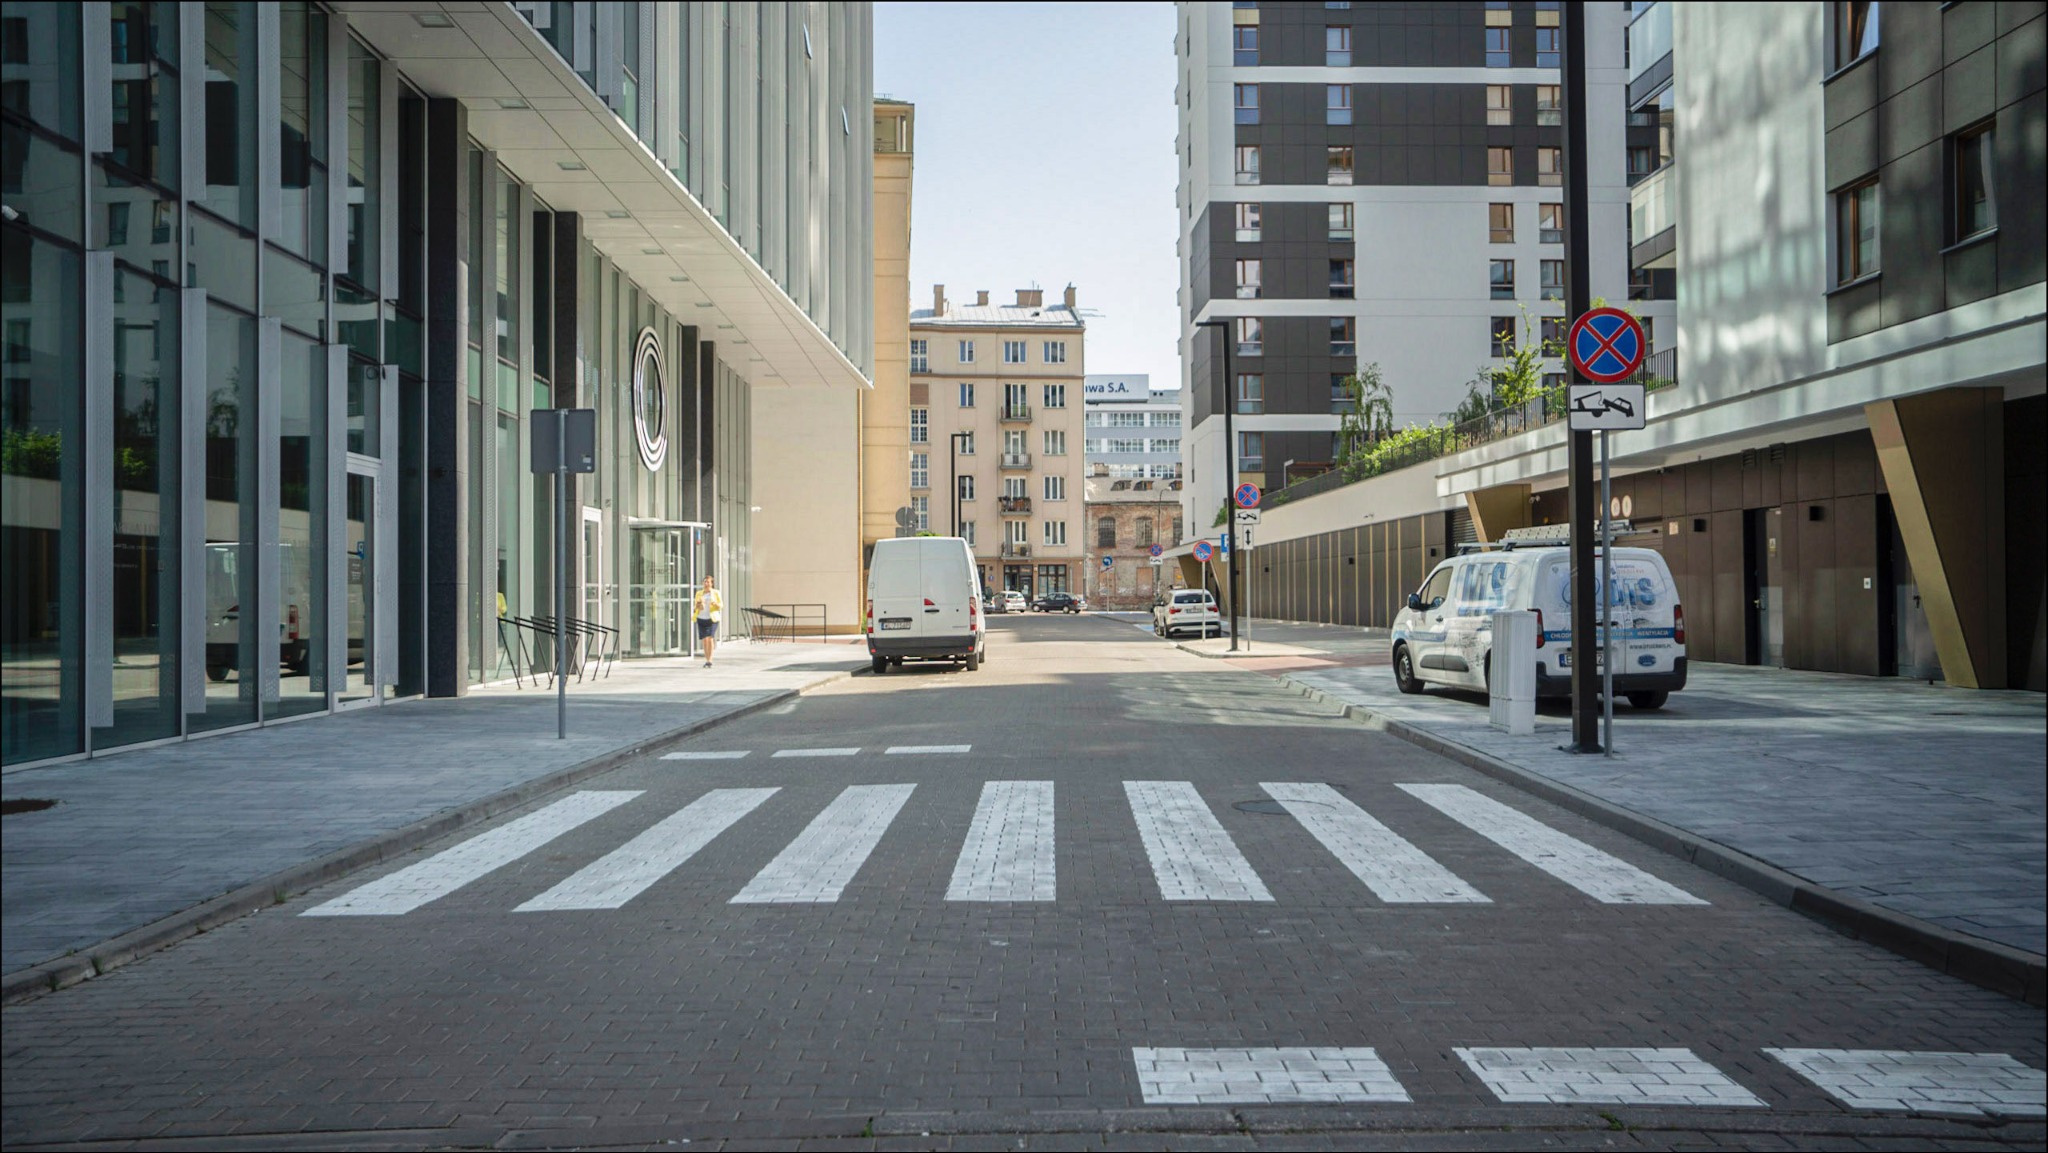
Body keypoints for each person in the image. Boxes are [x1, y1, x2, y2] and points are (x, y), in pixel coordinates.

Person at [691, 575, 723, 667]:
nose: (706, 584)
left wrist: (715, 603)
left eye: (708, 582)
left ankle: (710, 660)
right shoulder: (699, 593)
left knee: (710, 638)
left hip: (712, 618)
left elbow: (721, 605)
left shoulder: (716, 593)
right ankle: (706, 659)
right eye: (705, 582)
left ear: (711, 583)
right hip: (701, 618)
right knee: (705, 640)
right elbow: (695, 607)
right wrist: (697, 605)